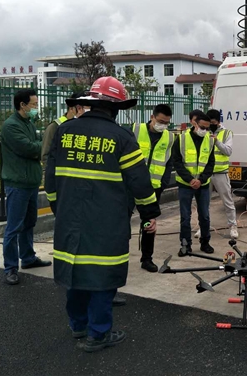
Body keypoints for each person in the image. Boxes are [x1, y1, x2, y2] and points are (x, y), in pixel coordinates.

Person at [45, 77, 160, 353]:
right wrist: (149, 214)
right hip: (107, 221)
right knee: (102, 274)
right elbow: (139, 182)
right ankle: (98, 334)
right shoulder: (122, 138)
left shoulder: (65, 132)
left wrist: (58, 209)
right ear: (116, 108)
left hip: (70, 218)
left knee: (76, 271)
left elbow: (50, 179)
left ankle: (78, 325)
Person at [0, 89, 52, 285]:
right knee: (14, 227)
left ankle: (28, 258)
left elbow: (37, 144)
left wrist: (39, 144)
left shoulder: (28, 123)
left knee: (29, 223)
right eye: (34, 104)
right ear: (22, 105)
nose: (35, 108)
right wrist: (42, 145)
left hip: (30, 183)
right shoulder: (11, 126)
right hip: (17, 184)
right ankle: (10, 267)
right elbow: (30, 148)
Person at [130, 104, 175, 272]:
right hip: (130, 186)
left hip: (152, 188)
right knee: (120, 221)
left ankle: (147, 259)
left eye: (166, 123)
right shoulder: (135, 129)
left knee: (149, 224)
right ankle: (117, 254)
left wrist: (163, 183)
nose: (163, 125)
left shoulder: (169, 138)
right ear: (152, 117)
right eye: (160, 121)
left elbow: (169, 161)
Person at [173, 111, 216, 256]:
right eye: (202, 127)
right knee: (185, 216)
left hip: (203, 185)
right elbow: (177, 162)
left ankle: (205, 242)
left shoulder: (210, 140)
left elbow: (211, 163)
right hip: (186, 184)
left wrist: (201, 179)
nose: (204, 130)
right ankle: (185, 245)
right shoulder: (181, 138)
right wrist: (190, 179)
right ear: (194, 123)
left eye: (207, 128)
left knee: (204, 215)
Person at [206, 109, 238, 238]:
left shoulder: (226, 133)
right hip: (205, 173)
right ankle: (204, 226)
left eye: (213, 122)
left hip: (221, 172)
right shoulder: (204, 132)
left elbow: (228, 151)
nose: (211, 125)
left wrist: (217, 141)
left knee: (227, 201)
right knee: (204, 202)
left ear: (218, 121)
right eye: (209, 123)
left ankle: (233, 226)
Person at [41, 92, 89, 164]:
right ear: (71, 108)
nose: (84, 112)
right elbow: (46, 156)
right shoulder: (55, 127)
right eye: (80, 108)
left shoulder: (86, 127)